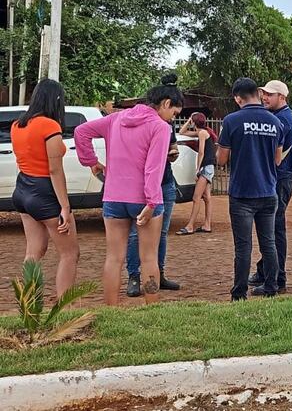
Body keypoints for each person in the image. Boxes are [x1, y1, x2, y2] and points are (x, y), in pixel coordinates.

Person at [75, 75, 184, 305]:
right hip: (145, 199)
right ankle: (151, 309)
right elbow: (153, 169)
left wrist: (91, 161)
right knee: (148, 258)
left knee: (114, 258)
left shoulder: (115, 119)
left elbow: (81, 132)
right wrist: (153, 202)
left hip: (113, 197)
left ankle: (111, 311)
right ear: (165, 103)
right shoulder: (159, 128)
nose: (173, 119)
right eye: (174, 113)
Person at [11, 79, 79, 298]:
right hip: (44, 191)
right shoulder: (50, 126)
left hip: (22, 189)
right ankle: (64, 309)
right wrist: (65, 207)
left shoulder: (18, 125)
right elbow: (54, 170)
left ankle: (28, 303)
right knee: (70, 254)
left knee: (34, 251)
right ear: (56, 99)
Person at [217, 78, 283, 300]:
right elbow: (277, 160)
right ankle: (272, 288)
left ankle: (239, 294)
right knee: (269, 243)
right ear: (257, 93)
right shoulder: (276, 123)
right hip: (268, 191)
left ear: (237, 98)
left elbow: (222, 159)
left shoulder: (231, 121)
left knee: (243, 247)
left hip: (242, 194)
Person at [248, 80, 292, 295]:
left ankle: (277, 278)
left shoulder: (282, 120)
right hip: (279, 178)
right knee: (270, 229)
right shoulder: (279, 117)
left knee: (275, 230)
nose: (265, 97)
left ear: (282, 98)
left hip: (279, 178)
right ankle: (265, 269)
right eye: (264, 94)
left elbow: (275, 157)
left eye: (270, 95)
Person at [125, 118, 181, 297]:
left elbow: (173, 147)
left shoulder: (167, 125)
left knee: (162, 233)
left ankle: (158, 274)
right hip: (142, 184)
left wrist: (173, 153)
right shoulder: (141, 124)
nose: (174, 116)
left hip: (165, 182)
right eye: (173, 109)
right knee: (136, 232)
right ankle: (134, 276)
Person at [177, 112, 217, 235]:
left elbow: (201, 152)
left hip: (205, 167)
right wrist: (190, 121)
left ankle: (190, 226)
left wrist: (197, 169)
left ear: (194, 122)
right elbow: (182, 132)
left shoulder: (202, 133)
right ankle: (207, 225)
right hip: (209, 167)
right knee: (206, 197)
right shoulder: (203, 132)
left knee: (196, 197)